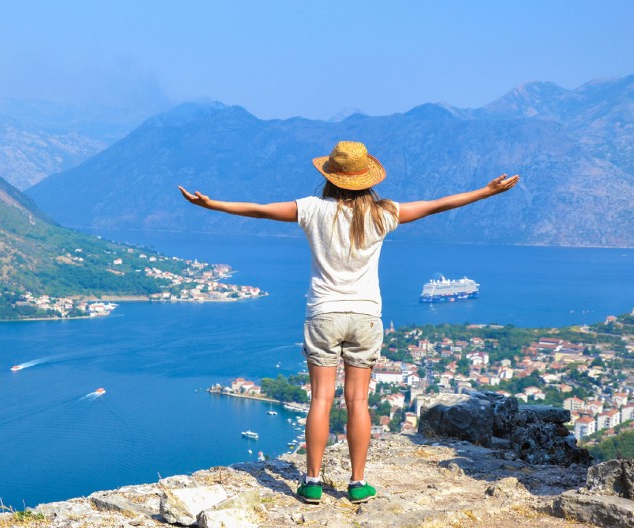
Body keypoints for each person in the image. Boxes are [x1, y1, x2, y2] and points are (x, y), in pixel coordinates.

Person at [178, 140, 519, 504]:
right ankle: (357, 483)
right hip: (366, 317)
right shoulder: (384, 213)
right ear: (366, 178)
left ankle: (312, 481)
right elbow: (437, 205)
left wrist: (211, 204)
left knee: (321, 399)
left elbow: (259, 211)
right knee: (358, 401)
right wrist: (486, 192)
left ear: (330, 176)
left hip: (324, 314)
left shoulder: (311, 209)